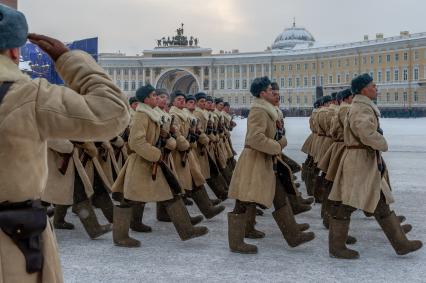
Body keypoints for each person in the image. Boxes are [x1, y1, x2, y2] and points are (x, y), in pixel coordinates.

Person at [0, 4, 129, 281]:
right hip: (13, 241)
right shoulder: (30, 97)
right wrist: (67, 59)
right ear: (13, 51)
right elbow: (113, 112)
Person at [328, 74, 422, 259]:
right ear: (363, 89)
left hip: (363, 160)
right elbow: (365, 132)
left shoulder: (360, 106)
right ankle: (336, 246)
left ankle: (401, 244)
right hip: (359, 161)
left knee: (380, 202)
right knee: (348, 203)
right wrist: (381, 142)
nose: (376, 88)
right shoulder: (361, 108)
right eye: (373, 86)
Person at [111, 85, 208, 248]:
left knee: (171, 193)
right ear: (146, 99)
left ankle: (187, 229)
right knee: (129, 200)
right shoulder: (142, 115)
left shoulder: (152, 114)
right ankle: (120, 236)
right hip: (142, 164)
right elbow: (136, 142)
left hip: (151, 163)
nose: (157, 97)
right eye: (154, 95)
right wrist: (155, 154)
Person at [227, 77, 314, 254]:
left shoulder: (267, 110)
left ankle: (293, 235)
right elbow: (255, 138)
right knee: (243, 201)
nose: (273, 92)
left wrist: (276, 142)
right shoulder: (258, 111)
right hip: (254, 161)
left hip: (264, 160)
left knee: (279, 195)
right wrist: (278, 145)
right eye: (269, 89)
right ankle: (236, 242)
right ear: (262, 93)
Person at [169, 91, 225, 219]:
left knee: (193, 180)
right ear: (173, 102)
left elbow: (193, 132)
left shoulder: (184, 114)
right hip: (179, 154)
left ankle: (207, 209)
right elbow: (177, 135)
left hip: (187, 152)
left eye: (183, 99)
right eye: (179, 99)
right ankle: (204, 210)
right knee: (175, 185)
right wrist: (186, 144)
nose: (182, 101)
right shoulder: (174, 115)